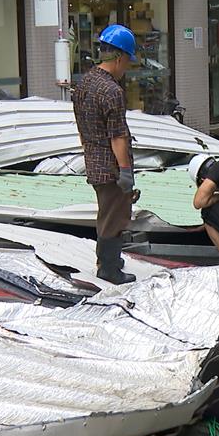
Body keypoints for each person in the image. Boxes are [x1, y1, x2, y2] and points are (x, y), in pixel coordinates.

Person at [72, 24, 140, 285]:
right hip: (111, 167)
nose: (127, 68)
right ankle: (110, 269)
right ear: (121, 57)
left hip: (93, 161)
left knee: (106, 214)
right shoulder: (112, 91)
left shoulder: (86, 82)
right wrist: (125, 171)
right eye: (128, 62)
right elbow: (118, 135)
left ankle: (107, 261)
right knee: (115, 217)